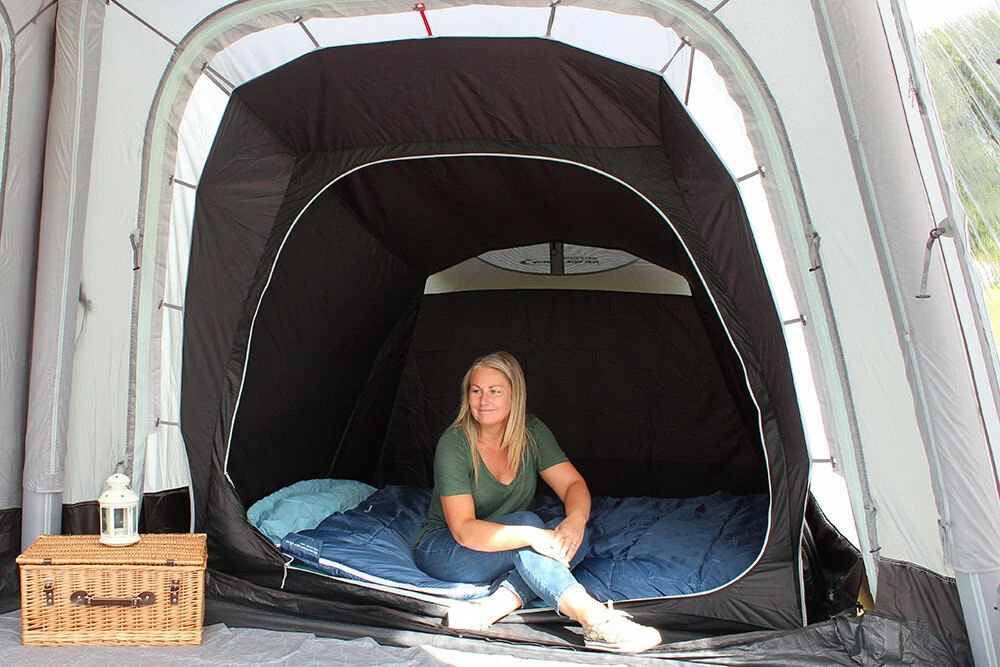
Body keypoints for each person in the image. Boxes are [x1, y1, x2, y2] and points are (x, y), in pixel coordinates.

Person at [413, 351, 661, 654]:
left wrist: (574, 521)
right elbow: (464, 531)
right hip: (446, 547)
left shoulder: (531, 432)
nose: (483, 400)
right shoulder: (454, 443)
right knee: (532, 528)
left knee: (572, 534)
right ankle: (595, 619)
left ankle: (488, 611)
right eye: (476, 391)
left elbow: (572, 484)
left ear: (514, 395)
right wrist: (531, 535)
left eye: (494, 391)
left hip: (501, 544)